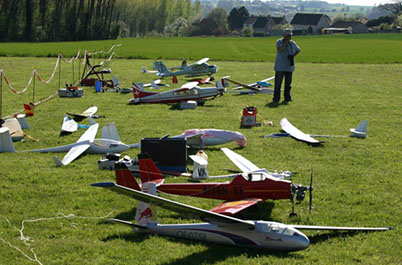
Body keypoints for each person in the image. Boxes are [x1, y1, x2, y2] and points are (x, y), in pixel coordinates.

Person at [273, 28, 301, 103]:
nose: (289, 37)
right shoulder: (279, 41)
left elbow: (298, 50)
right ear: (284, 35)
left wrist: (293, 56)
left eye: (290, 35)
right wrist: (285, 43)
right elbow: (280, 49)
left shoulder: (292, 43)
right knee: (278, 84)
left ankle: (287, 97)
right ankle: (276, 98)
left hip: (289, 67)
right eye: (287, 35)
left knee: (288, 84)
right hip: (280, 67)